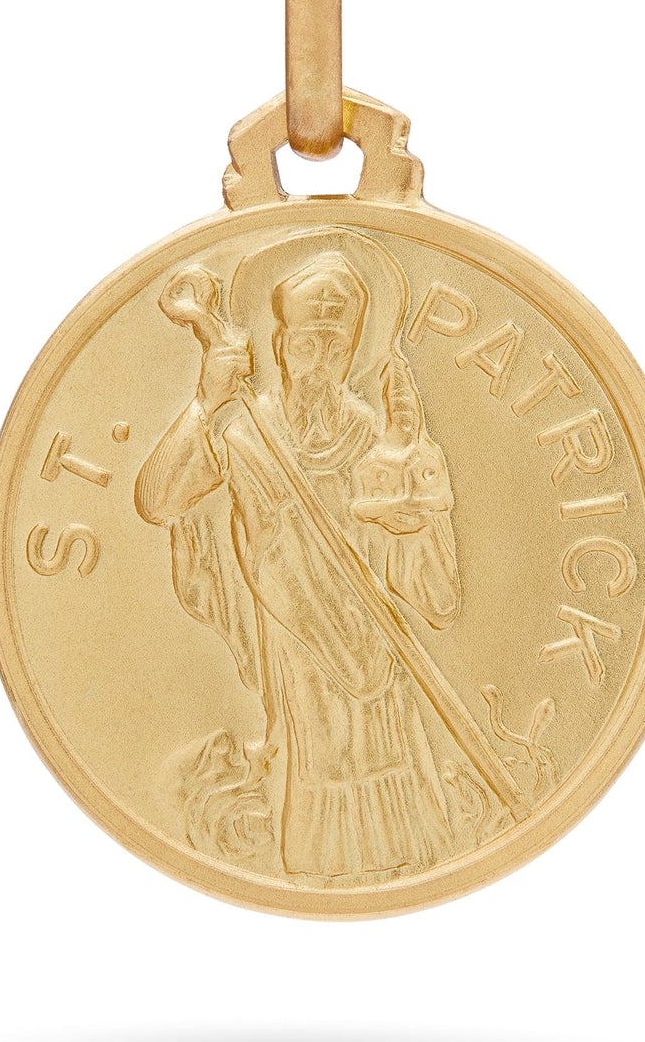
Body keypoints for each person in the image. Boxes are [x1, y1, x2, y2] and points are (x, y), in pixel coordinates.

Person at [136, 248, 464, 881]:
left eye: (335, 347)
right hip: (297, 665)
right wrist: (206, 398)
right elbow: (157, 500)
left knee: (397, 818)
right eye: (306, 344)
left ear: (354, 353)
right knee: (320, 794)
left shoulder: (373, 439)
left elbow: (433, 593)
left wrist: (407, 460)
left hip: (380, 668)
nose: (319, 362)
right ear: (279, 346)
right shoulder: (246, 436)